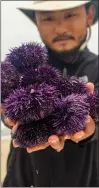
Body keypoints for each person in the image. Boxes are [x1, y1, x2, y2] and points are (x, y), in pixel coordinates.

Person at [1, 0, 99, 187]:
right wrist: (6, 113)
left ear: (89, 15)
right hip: (22, 180)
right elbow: (7, 103)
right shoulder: (22, 67)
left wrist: (91, 129)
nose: (60, 27)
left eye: (70, 15)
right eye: (47, 18)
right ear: (36, 22)